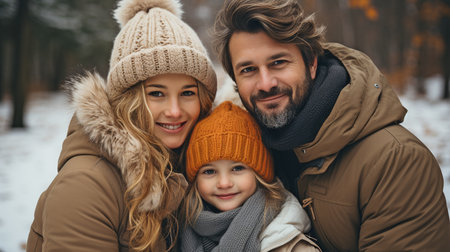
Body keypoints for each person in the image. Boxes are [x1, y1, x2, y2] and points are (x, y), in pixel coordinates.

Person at [213, 0, 450, 251]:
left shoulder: (395, 161)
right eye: (248, 69)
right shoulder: (246, 152)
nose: (265, 83)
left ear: (312, 63)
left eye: (278, 62)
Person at [26, 0, 217, 251]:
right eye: (156, 94)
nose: (174, 111)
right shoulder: (86, 186)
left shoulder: (194, 166)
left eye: (188, 93)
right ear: (128, 100)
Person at [180, 101, 321, 252]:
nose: (224, 183)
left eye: (237, 168)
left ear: (259, 174)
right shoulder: (182, 225)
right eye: (209, 171)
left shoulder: (285, 239)